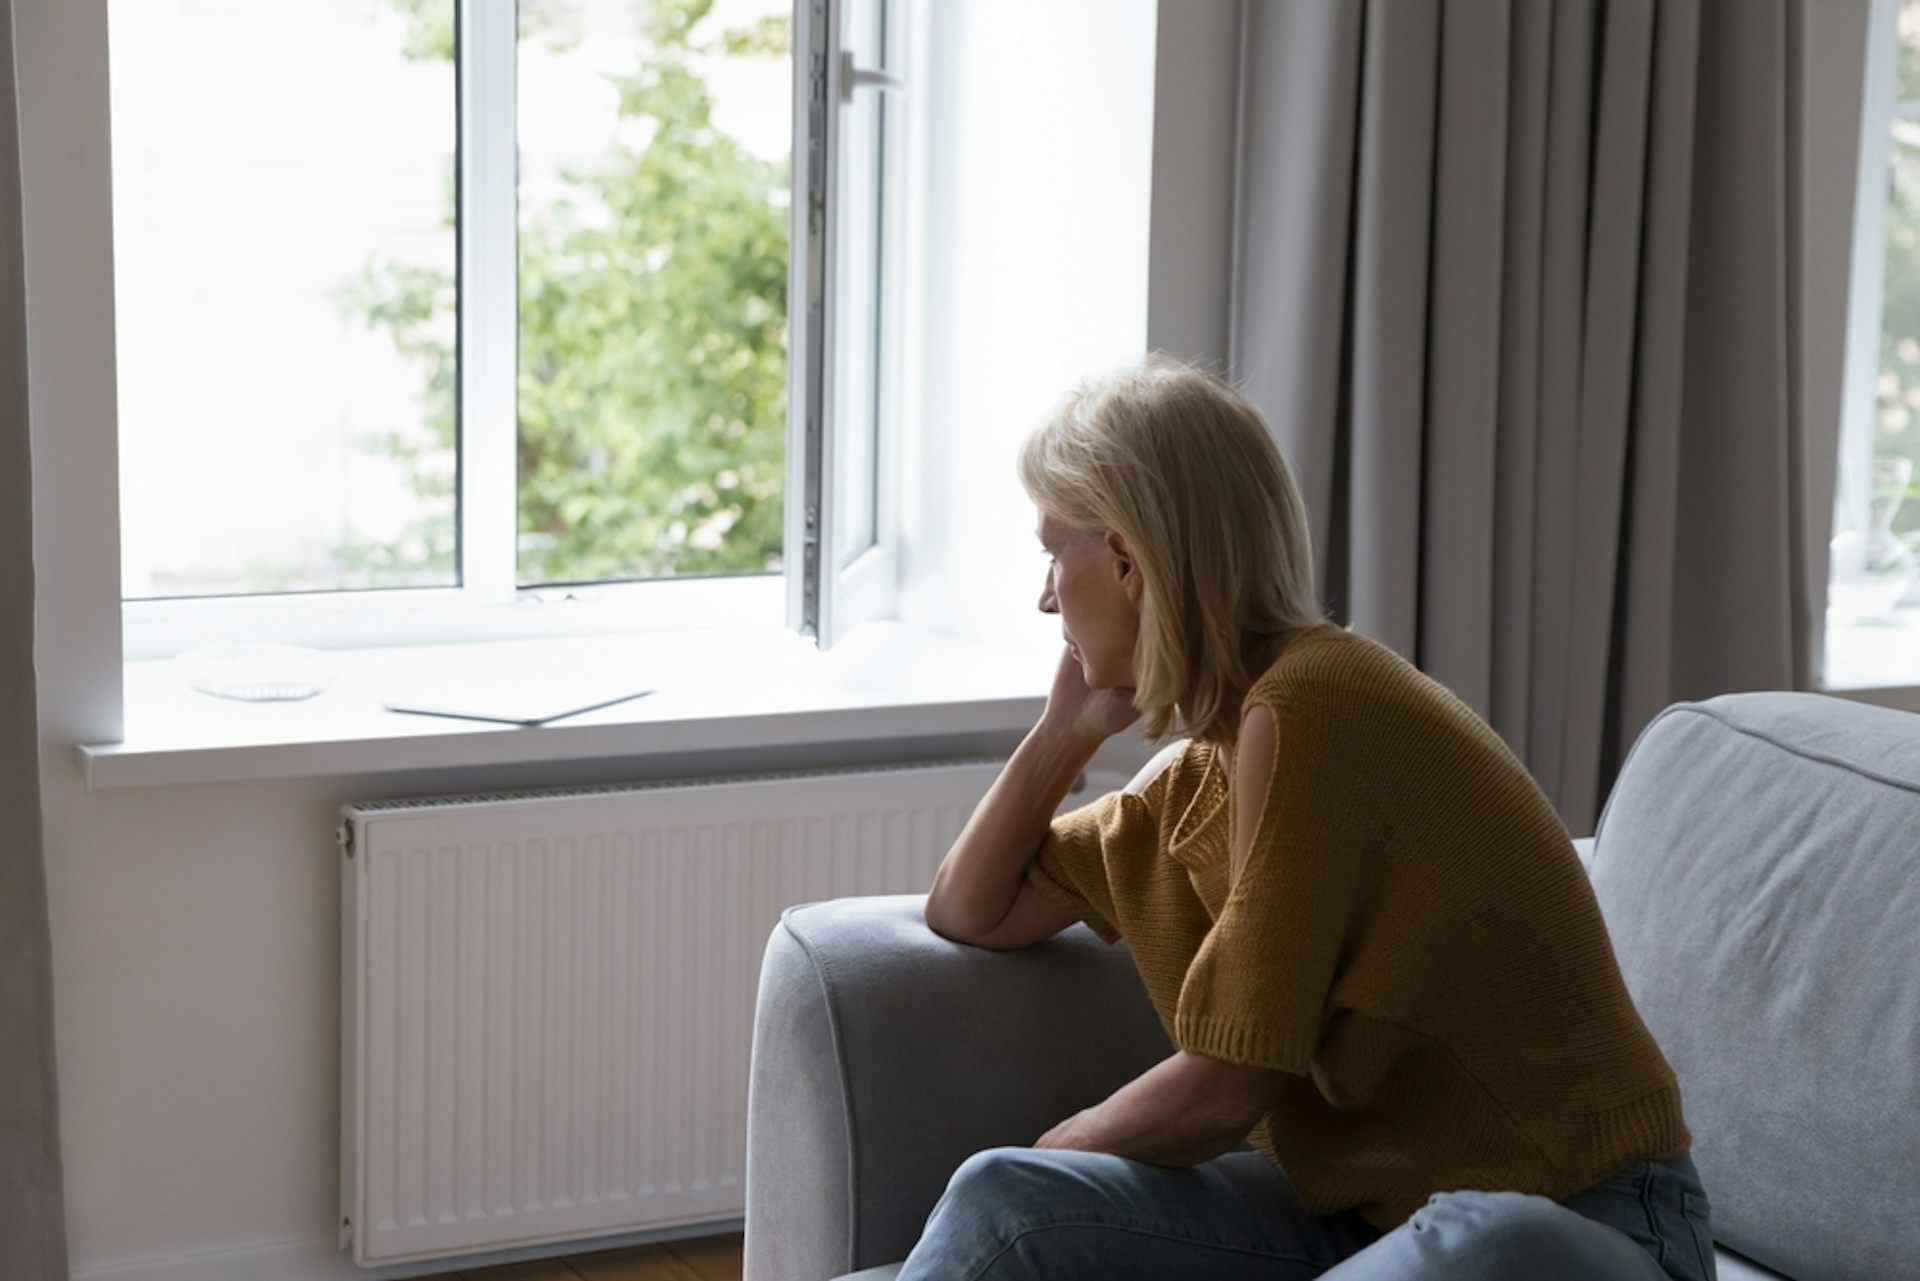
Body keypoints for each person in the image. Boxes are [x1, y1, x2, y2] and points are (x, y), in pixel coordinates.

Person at [911, 354, 1717, 1280]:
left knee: (1471, 1238)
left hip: (1597, 1227)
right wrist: (1062, 731)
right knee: (1001, 1199)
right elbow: (968, 907)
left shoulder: (1318, 706)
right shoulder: (1192, 785)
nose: (1047, 596)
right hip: (1380, 1223)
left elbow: (1227, 1083)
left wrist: (1061, 1152)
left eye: (1057, 554)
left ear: (1129, 560)